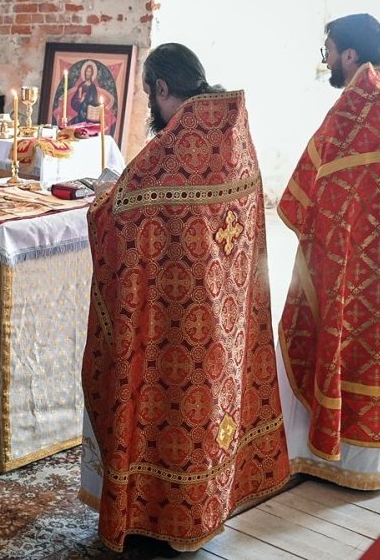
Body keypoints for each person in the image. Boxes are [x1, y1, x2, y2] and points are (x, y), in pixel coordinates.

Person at [80, 43, 290, 552]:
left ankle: (155, 516)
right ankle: (205, 511)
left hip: (171, 323)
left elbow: (115, 218)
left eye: (149, 94)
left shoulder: (173, 147)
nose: (151, 108)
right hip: (224, 315)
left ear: (162, 87)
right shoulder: (234, 130)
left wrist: (102, 196)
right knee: (209, 412)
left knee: (167, 411)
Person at [277, 14, 380, 489]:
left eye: (328, 51)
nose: (326, 60)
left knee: (344, 335)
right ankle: (378, 462)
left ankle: (336, 460)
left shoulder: (361, 100)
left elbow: (312, 181)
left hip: (358, 259)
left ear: (349, 54)